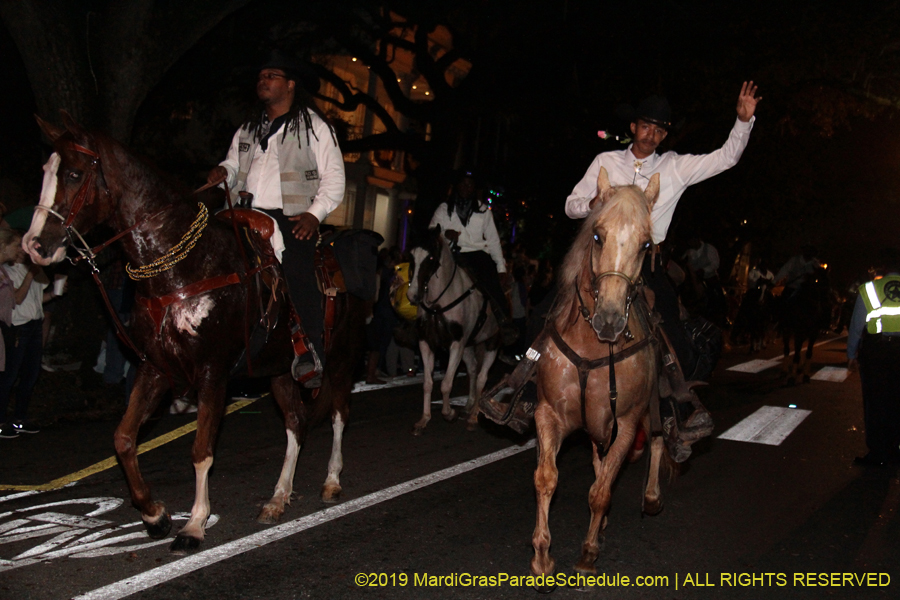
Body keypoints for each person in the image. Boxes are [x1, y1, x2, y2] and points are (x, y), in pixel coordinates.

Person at [564, 83, 760, 459]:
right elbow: (571, 205)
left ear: (664, 134)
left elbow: (726, 159)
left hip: (646, 264)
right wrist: (593, 202)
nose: (650, 135)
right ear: (634, 127)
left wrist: (742, 122)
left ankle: (677, 412)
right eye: (645, 127)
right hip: (599, 262)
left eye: (659, 130)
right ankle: (522, 386)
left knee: (673, 333)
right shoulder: (605, 161)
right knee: (549, 311)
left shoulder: (674, 166)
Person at [207, 51, 344, 388]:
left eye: (271, 76)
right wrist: (222, 171)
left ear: (291, 84)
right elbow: (234, 165)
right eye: (261, 77)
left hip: (291, 217)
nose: (262, 81)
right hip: (243, 213)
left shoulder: (315, 125)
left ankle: (311, 352)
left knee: (297, 271)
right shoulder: (249, 127)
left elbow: (335, 178)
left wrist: (315, 214)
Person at [429, 169, 517, 344]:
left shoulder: (483, 211)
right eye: (462, 183)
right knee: (424, 276)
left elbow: (493, 240)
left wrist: (500, 267)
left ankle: (504, 322)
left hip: (476, 255)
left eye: (469, 184)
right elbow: (431, 230)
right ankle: (416, 322)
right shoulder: (444, 208)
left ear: (474, 188)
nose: (465, 187)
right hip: (450, 253)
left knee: (492, 286)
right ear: (457, 186)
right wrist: (445, 233)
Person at [847, 248, 900, 467]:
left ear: (884, 268)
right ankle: (896, 449)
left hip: (876, 352)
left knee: (875, 402)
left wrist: (851, 353)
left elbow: (857, 325)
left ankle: (878, 452)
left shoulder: (869, 289)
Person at [0, 233, 57, 438]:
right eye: (20, 247)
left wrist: (53, 294)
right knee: (9, 376)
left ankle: (20, 418)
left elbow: (36, 299)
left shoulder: (31, 270)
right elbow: (17, 299)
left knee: (30, 374)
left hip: (33, 326)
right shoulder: (8, 271)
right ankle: (1, 420)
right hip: (17, 327)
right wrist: (30, 275)